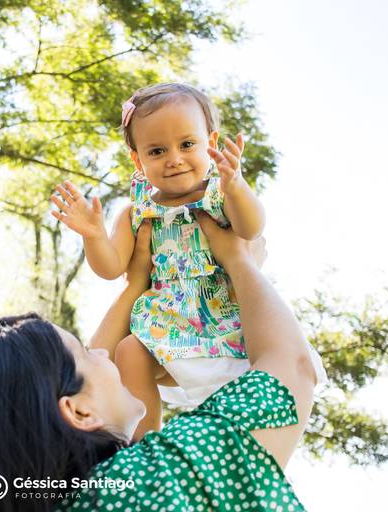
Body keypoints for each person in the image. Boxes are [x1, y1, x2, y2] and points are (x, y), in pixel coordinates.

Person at [0, 213, 316, 511]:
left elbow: (91, 386)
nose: (103, 350)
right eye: (85, 353)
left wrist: (136, 285)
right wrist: (239, 262)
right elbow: (290, 370)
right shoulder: (139, 487)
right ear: (77, 411)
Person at [51, 82, 267, 440]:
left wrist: (237, 186)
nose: (174, 159)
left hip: (224, 316)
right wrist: (93, 235)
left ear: (210, 144)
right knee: (128, 349)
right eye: (156, 150)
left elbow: (251, 227)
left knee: (242, 402)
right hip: (166, 321)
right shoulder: (136, 210)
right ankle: (143, 441)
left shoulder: (220, 194)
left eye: (187, 144)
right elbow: (111, 267)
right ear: (138, 160)